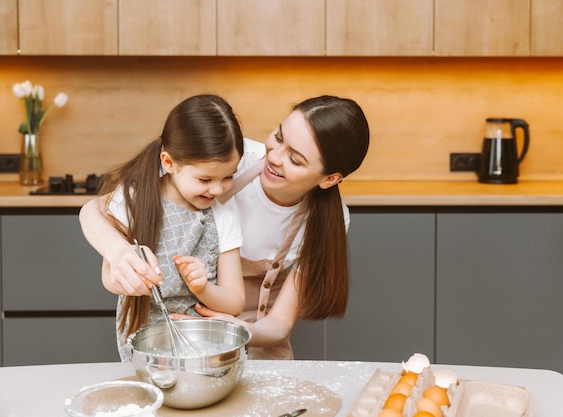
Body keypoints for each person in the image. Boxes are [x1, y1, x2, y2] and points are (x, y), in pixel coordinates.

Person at [80, 95, 370, 360]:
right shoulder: (229, 157)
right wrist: (117, 254)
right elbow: (96, 210)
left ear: (329, 179)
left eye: (295, 159)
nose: (274, 157)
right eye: (278, 137)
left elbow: (279, 324)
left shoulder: (326, 221)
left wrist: (231, 329)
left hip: (255, 341)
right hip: (172, 337)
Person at [92, 94, 246, 361]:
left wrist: (203, 289)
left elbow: (235, 302)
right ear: (169, 163)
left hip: (203, 348)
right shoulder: (131, 202)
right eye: (205, 178)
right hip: (143, 346)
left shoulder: (223, 220)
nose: (218, 189)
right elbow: (109, 276)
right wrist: (127, 280)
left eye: (228, 177)